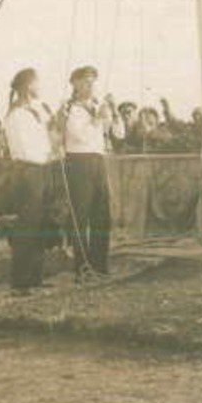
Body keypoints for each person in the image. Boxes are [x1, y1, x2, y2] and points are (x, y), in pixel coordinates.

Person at [58, 66, 122, 278]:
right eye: (86, 81)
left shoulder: (98, 105)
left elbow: (118, 133)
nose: (91, 85)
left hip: (97, 160)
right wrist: (97, 118)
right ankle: (82, 266)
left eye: (93, 81)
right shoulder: (69, 108)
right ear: (75, 83)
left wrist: (114, 112)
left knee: (101, 214)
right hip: (78, 161)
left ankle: (99, 265)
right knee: (81, 215)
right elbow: (78, 136)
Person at [2, 67, 57, 292]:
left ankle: (36, 277)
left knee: (41, 224)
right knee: (27, 226)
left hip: (42, 169)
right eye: (37, 83)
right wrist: (48, 155)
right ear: (27, 86)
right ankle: (20, 281)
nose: (40, 87)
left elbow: (50, 133)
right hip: (27, 171)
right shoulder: (16, 115)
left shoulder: (37, 111)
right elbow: (24, 149)